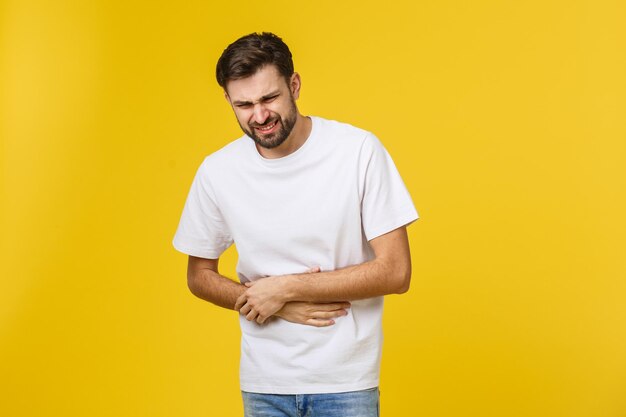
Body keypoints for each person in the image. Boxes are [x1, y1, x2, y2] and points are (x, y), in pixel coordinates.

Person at [173, 32, 419, 417]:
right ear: (228, 101)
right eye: (244, 104)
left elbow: (396, 271)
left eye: (269, 98)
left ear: (294, 85)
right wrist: (273, 305)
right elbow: (198, 275)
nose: (260, 115)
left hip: (345, 384)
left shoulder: (356, 151)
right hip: (264, 384)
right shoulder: (218, 170)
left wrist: (287, 288)